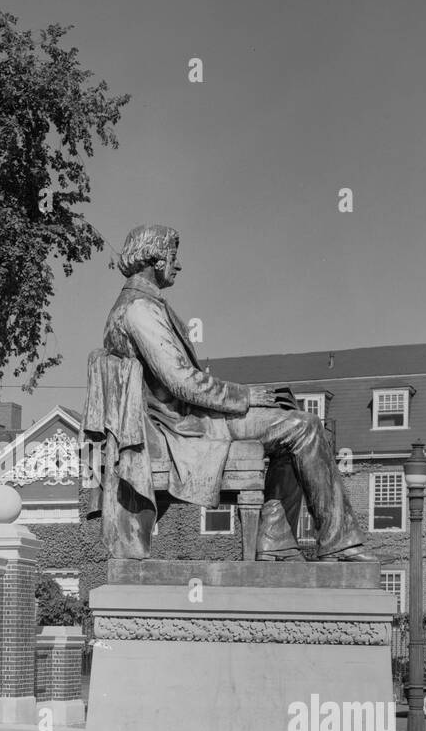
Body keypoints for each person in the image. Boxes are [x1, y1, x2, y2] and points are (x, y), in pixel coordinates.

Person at [101, 223, 375, 562]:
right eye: (173, 256)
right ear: (155, 259)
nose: (179, 265)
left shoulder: (144, 304)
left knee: (292, 426)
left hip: (192, 421)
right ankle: (341, 544)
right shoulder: (139, 309)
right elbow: (182, 382)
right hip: (184, 429)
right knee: (303, 426)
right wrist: (246, 396)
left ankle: (275, 542)